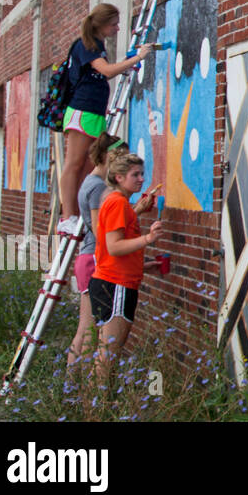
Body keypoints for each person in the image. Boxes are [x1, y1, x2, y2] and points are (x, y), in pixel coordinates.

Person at [59, 4, 154, 230]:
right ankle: (67, 217)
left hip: (93, 112)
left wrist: (127, 64)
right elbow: (107, 71)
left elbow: (105, 71)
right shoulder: (86, 44)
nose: (117, 28)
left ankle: (80, 215)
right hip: (82, 111)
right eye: (113, 24)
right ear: (101, 24)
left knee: (87, 166)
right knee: (74, 164)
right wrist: (137, 58)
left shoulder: (97, 45)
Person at [88, 151, 163, 379]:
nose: (141, 179)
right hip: (115, 285)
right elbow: (114, 247)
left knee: (105, 354)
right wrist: (148, 239)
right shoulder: (117, 203)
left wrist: (142, 265)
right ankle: (97, 410)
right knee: (108, 357)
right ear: (119, 177)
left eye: (142, 174)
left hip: (112, 281)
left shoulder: (118, 202)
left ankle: (93, 407)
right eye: (135, 174)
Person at [68, 133, 125, 368]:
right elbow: (101, 229)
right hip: (93, 257)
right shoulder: (98, 187)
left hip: (86, 256)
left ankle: (71, 388)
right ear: (108, 156)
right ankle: (76, 389)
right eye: (120, 158)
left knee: (85, 327)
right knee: (89, 329)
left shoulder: (90, 183)